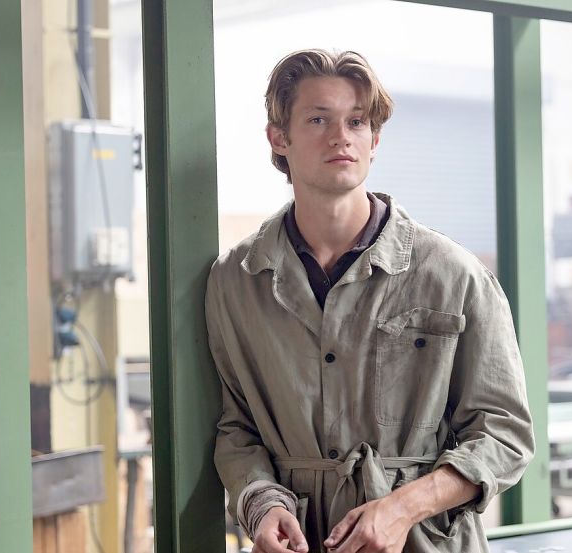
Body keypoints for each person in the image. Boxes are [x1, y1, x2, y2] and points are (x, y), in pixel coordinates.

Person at [206, 49, 534, 553]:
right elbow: (236, 427)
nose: (341, 136)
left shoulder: (453, 274)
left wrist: (403, 507)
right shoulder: (237, 280)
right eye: (318, 119)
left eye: (356, 121)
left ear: (374, 140)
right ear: (279, 138)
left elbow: (504, 435)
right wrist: (263, 503)